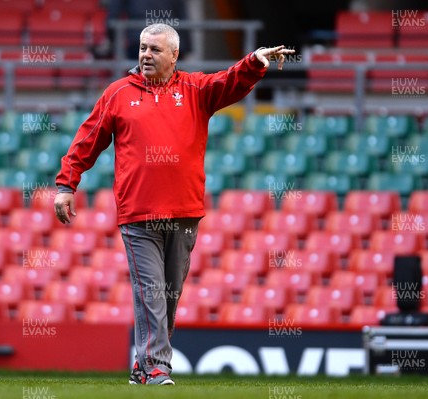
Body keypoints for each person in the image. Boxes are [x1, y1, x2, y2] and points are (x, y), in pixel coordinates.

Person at [54, 23, 294, 385]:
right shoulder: (117, 94)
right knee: (150, 292)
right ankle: (155, 367)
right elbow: (88, 139)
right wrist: (66, 183)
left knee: (167, 297)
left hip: (184, 214)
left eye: (154, 49)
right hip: (138, 214)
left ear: (174, 55)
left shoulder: (196, 89)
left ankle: (142, 367)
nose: (145, 55)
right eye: (142, 48)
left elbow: (229, 82)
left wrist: (254, 61)